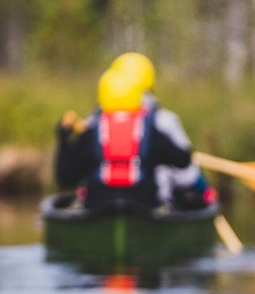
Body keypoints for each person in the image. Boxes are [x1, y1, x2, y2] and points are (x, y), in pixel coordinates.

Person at [54, 52, 211, 214]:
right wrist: (203, 191)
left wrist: (64, 138)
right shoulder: (157, 127)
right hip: (148, 207)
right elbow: (184, 165)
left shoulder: (92, 127)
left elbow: (65, 176)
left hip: (97, 207)